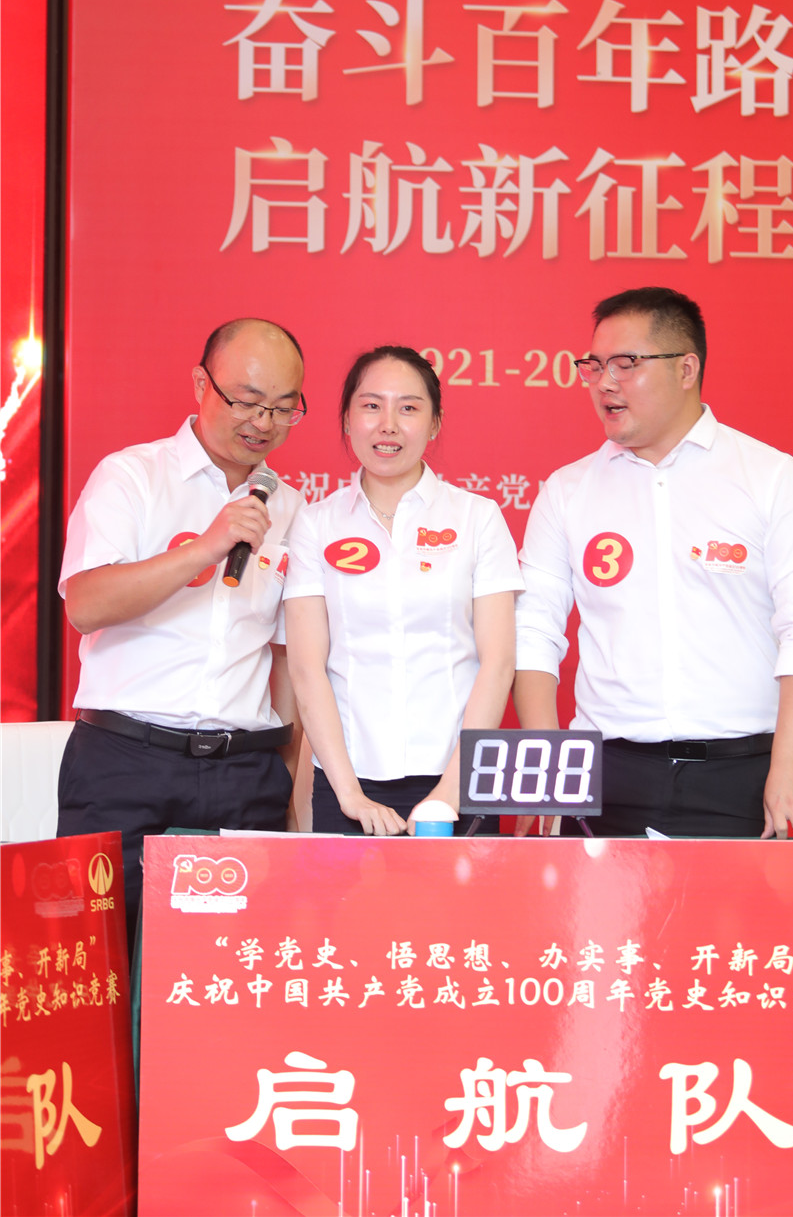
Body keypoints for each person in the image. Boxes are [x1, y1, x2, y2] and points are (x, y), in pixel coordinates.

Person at [514, 287, 793, 841]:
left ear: (686, 368)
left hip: (745, 779)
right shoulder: (568, 491)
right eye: (594, 366)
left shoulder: (771, 478)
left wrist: (788, 769)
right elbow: (533, 629)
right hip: (604, 778)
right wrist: (548, 764)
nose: (604, 383)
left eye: (626, 364)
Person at [57, 318, 307, 949]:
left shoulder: (291, 508)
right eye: (247, 401)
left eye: (283, 408)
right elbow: (85, 604)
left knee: (230, 971)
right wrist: (206, 546)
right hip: (124, 764)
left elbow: (286, 660)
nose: (263, 423)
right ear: (201, 384)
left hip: (245, 774)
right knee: (100, 963)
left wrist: (285, 776)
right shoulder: (132, 476)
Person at [284, 345, 522, 835]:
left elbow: (497, 663)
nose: (388, 425)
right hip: (348, 784)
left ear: (434, 424)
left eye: (408, 408)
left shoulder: (477, 518)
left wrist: (449, 793)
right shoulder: (315, 524)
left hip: (459, 781)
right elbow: (307, 669)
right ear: (347, 419)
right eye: (371, 405)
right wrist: (350, 795)